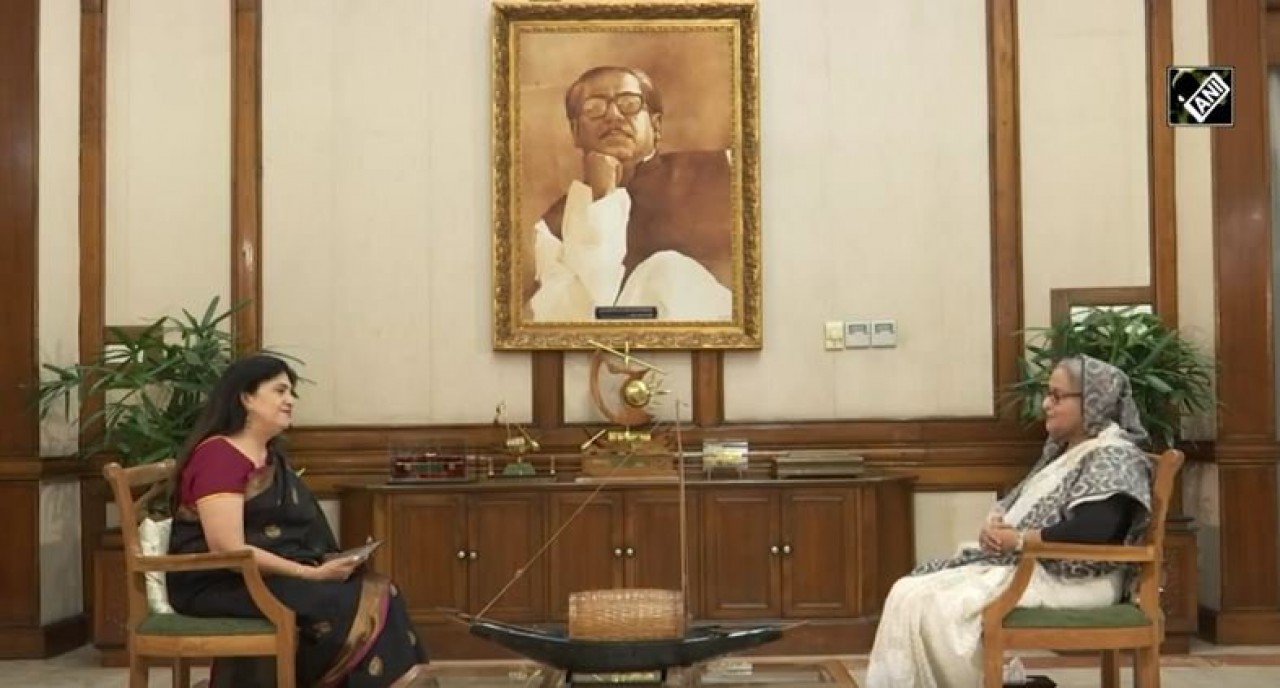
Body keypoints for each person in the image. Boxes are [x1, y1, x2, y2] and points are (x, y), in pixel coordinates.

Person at [865, 355, 1154, 687]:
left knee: (939, 606)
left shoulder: (1114, 455)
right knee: (908, 591)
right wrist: (997, 530)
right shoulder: (1068, 452)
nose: (1046, 404)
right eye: (1048, 394)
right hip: (1039, 567)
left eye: (1057, 396)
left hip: (1077, 580)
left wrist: (1018, 540)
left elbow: (1094, 530)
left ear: (1092, 401)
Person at [166, 354, 426, 687]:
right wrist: (310, 573)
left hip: (259, 575)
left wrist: (322, 564)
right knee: (345, 602)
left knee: (380, 589)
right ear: (246, 398)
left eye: (291, 392)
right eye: (280, 391)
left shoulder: (267, 456)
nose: (290, 400)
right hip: (217, 582)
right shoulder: (219, 456)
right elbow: (227, 550)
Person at [527, 65, 734, 322]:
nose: (613, 116)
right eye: (594, 108)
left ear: (656, 125)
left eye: (629, 104)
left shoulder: (726, 169)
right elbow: (573, 319)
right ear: (576, 132)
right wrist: (602, 199)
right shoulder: (553, 227)